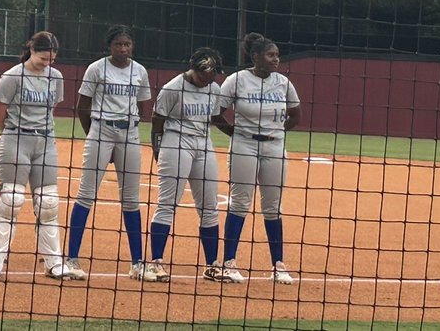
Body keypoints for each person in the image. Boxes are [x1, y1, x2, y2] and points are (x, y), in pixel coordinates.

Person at [0, 31, 75, 280]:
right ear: (31, 50)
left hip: (44, 141)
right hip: (15, 139)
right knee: (11, 199)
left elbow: (51, 107)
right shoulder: (12, 77)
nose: (47, 63)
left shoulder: (55, 77)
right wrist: (13, 134)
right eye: (43, 58)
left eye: (51, 59)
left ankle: (53, 262)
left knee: (48, 202)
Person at [66, 24, 153, 281]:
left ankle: (137, 263)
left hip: (130, 133)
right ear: (109, 46)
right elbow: (83, 106)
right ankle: (72, 258)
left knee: (132, 199)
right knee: (86, 193)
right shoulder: (97, 68)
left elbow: (140, 104)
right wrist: (94, 134)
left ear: (132, 46)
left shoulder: (140, 71)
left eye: (127, 44)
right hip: (101, 129)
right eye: (118, 44)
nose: (123, 49)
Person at [218, 32, 301, 285]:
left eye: (277, 55)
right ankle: (229, 263)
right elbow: (216, 113)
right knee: (240, 202)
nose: (276, 59)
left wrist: (277, 132)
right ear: (255, 57)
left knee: (273, 206)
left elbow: (295, 114)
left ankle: (278, 265)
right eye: (270, 55)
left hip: (274, 147)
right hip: (244, 144)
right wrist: (233, 131)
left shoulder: (283, 83)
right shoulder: (237, 80)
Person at [145, 47, 233, 283]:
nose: (211, 79)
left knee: (209, 205)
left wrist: (238, 133)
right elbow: (157, 121)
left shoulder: (213, 89)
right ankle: (156, 262)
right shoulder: (173, 87)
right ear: (196, 70)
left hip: (203, 143)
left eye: (214, 74)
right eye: (207, 74)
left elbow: (215, 118)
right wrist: (158, 150)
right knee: (167, 202)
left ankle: (212, 265)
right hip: (176, 141)